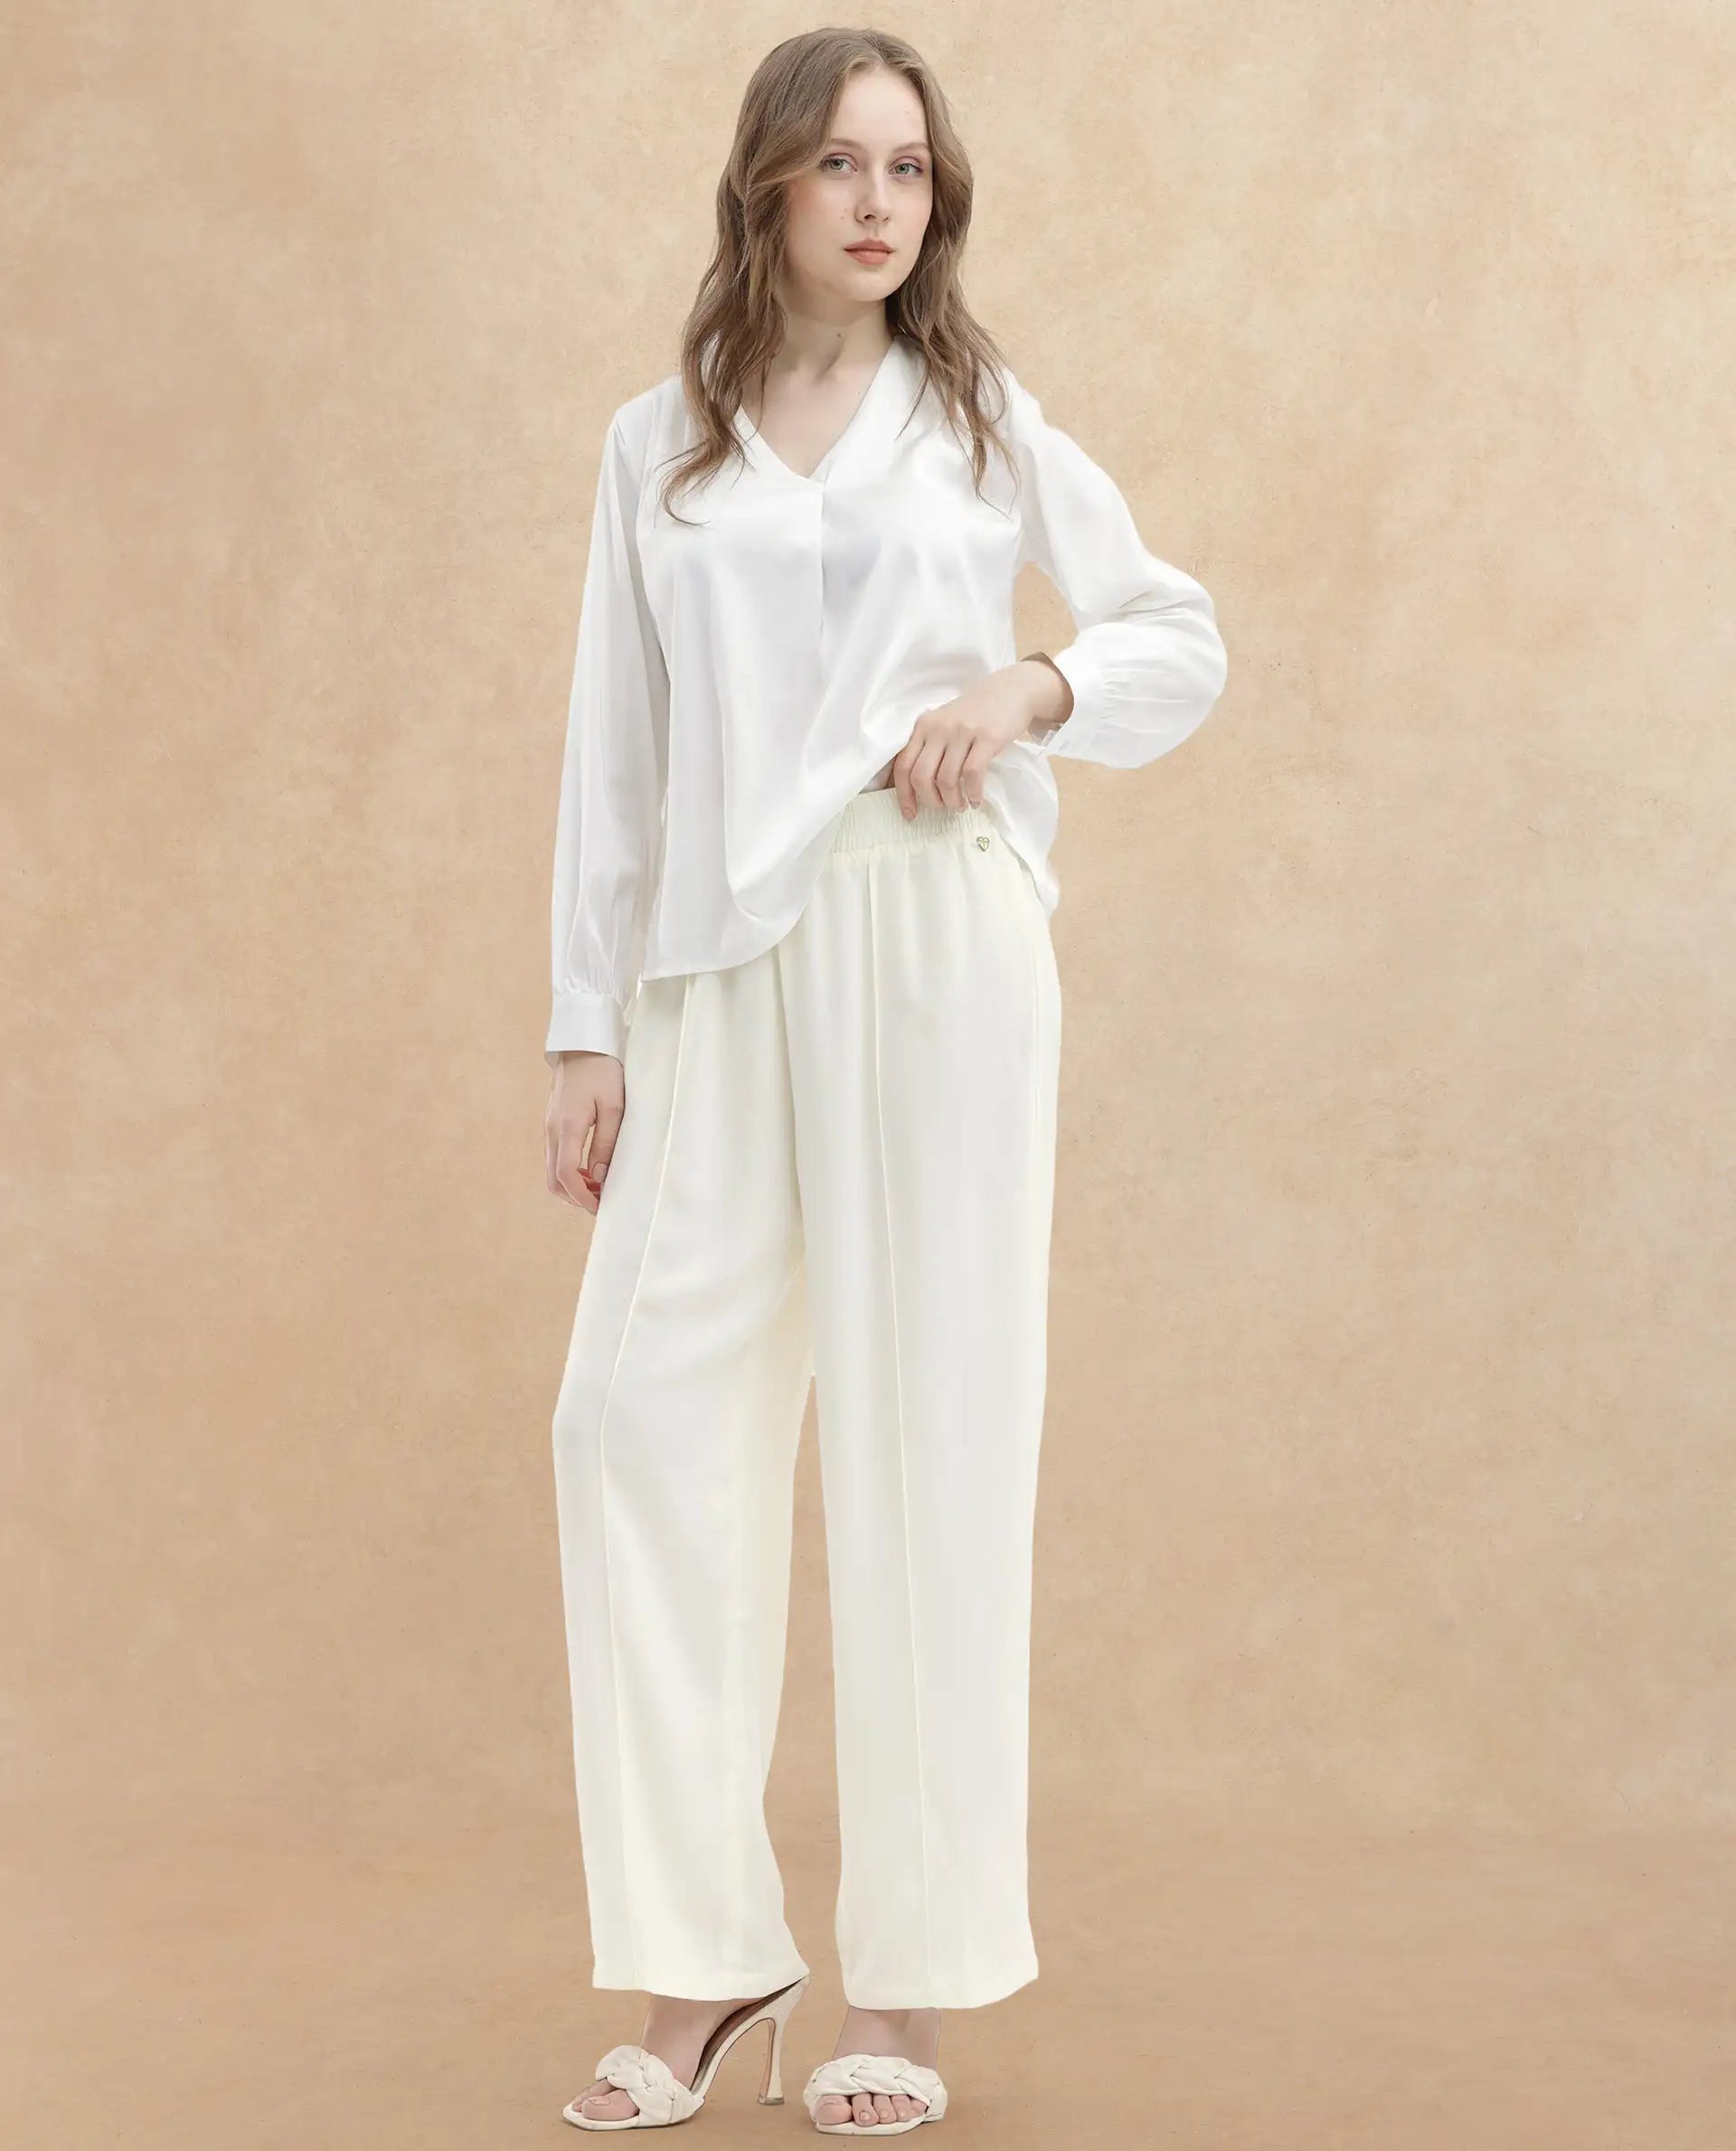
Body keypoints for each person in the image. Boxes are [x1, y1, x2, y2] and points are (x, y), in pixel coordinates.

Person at [542, 27, 1227, 2137]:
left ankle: (906, 1989)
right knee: (630, 1425)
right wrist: (583, 1022)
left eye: (909, 169)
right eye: (839, 163)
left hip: (938, 940)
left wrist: (1032, 682)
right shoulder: (659, 446)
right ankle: (707, 1946)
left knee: (934, 1435)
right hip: (715, 965)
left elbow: (1176, 634)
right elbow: (615, 753)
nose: (876, 202)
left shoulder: (980, 419)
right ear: (765, 184)